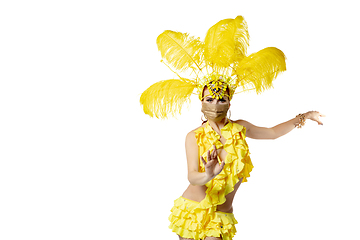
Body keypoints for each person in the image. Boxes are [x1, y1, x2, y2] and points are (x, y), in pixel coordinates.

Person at [139, 15, 325, 240]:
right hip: (192, 209)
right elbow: (192, 177)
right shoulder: (193, 137)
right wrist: (209, 173)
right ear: (201, 102)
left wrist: (304, 116)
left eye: (221, 100)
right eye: (209, 100)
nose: (215, 105)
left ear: (229, 102)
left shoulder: (241, 128)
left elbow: (273, 133)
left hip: (222, 215)